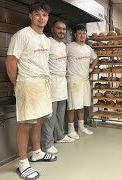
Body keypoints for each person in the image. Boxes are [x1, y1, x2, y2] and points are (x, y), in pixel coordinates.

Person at [5, 1, 56, 179]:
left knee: (39, 120)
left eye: (44, 15)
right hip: (27, 84)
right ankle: (23, 163)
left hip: (42, 84)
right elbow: (11, 61)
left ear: (47, 18)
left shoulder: (45, 40)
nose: (41, 17)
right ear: (30, 16)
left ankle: (37, 152)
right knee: (26, 124)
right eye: (37, 14)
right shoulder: (22, 35)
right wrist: (16, 84)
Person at [41, 20, 75, 155]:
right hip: (52, 82)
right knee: (50, 115)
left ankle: (60, 136)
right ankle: (47, 143)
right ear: (52, 29)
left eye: (64, 29)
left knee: (61, 112)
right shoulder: (47, 42)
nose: (62, 31)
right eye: (59, 28)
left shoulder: (63, 45)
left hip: (62, 81)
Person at [66, 25, 99, 139]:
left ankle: (81, 127)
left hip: (84, 80)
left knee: (82, 105)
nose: (82, 35)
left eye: (84, 33)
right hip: (73, 80)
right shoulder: (69, 46)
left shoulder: (88, 48)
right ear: (75, 34)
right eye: (79, 33)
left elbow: (96, 58)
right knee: (72, 106)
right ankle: (70, 130)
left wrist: (91, 69)